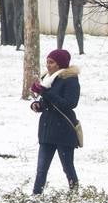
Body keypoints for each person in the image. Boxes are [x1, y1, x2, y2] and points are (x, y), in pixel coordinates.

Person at [29, 48, 81, 194]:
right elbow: (47, 103)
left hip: (64, 132)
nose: (48, 65)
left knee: (68, 168)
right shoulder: (48, 80)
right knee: (41, 169)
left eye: (51, 62)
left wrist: (46, 93)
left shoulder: (70, 80)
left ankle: (74, 195)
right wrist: (37, 105)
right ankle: (35, 197)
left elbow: (69, 104)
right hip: (47, 131)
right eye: (47, 62)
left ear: (60, 64)